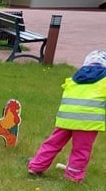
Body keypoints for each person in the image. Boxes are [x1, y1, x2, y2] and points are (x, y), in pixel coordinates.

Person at [28, 50, 106, 182]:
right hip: (87, 122)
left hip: (66, 118)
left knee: (52, 143)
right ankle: (73, 176)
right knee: (81, 149)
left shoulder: (75, 77)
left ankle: (36, 165)